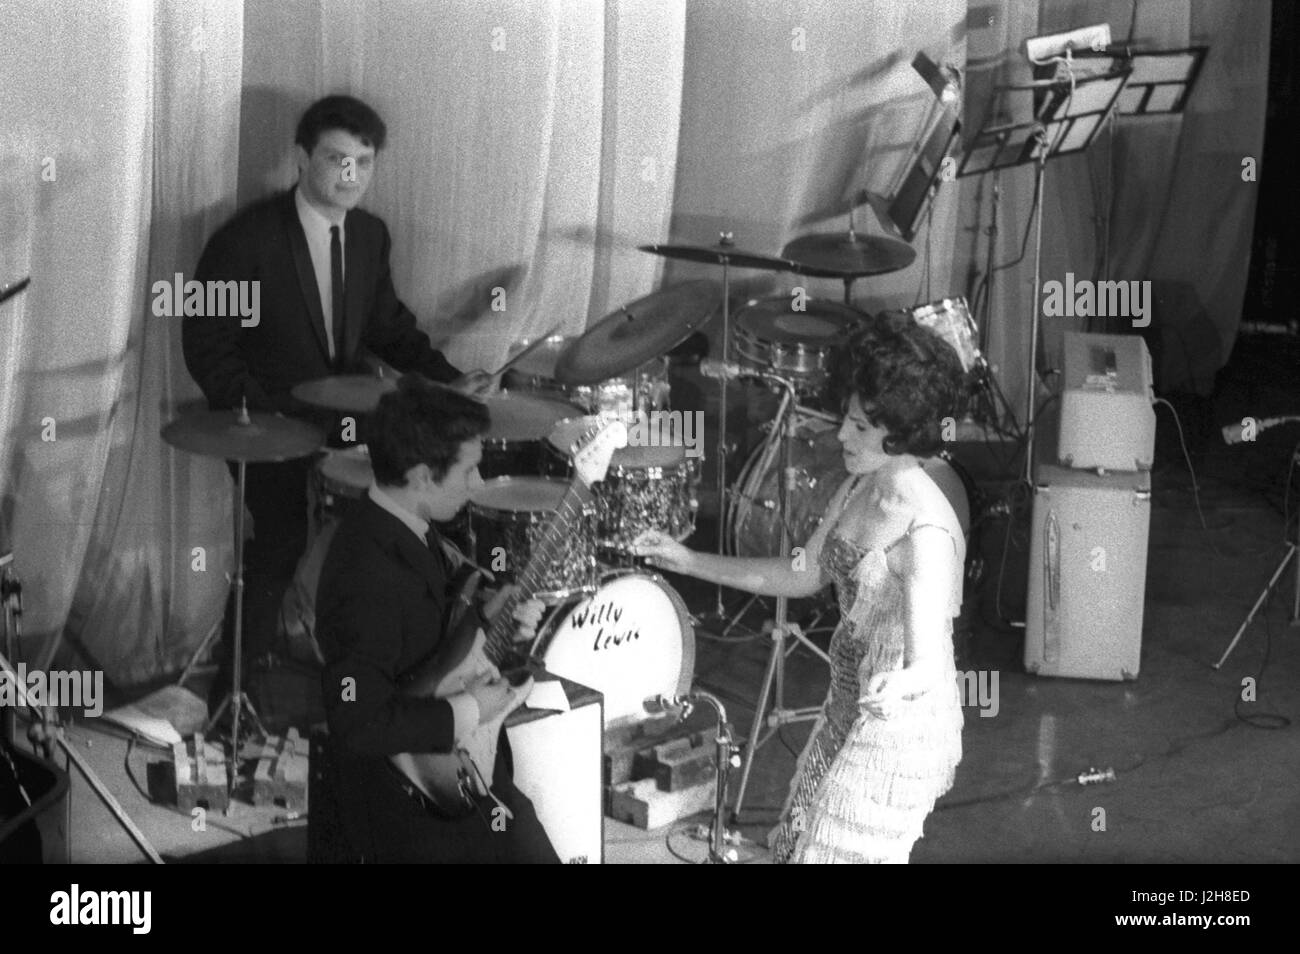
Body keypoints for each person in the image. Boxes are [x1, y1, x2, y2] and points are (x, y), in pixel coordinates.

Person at [181, 94, 495, 715]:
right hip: (267, 427)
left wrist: (451, 381)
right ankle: (232, 695)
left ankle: (389, 680)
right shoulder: (244, 241)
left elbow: (392, 331)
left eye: (364, 162)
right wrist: (273, 421)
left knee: (402, 520)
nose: (349, 176)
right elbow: (210, 352)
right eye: (335, 159)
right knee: (278, 544)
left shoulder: (371, 236)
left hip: (353, 422)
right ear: (301, 159)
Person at [634, 316, 967, 864]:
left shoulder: (925, 530)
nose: (840, 435)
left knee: (831, 853)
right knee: (796, 846)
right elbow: (800, 573)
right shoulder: (860, 487)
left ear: (901, 433)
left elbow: (928, 665)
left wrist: (899, 680)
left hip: (899, 728)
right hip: (848, 701)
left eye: (860, 428)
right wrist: (686, 559)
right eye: (847, 420)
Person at [315, 378, 559, 863]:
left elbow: (437, 652)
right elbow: (359, 724)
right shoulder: (365, 574)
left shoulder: (411, 529)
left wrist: (498, 628)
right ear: (424, 476)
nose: (478, 484)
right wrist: (473, 709)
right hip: (404, 803)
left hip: (461, 773)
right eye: (469, 471)